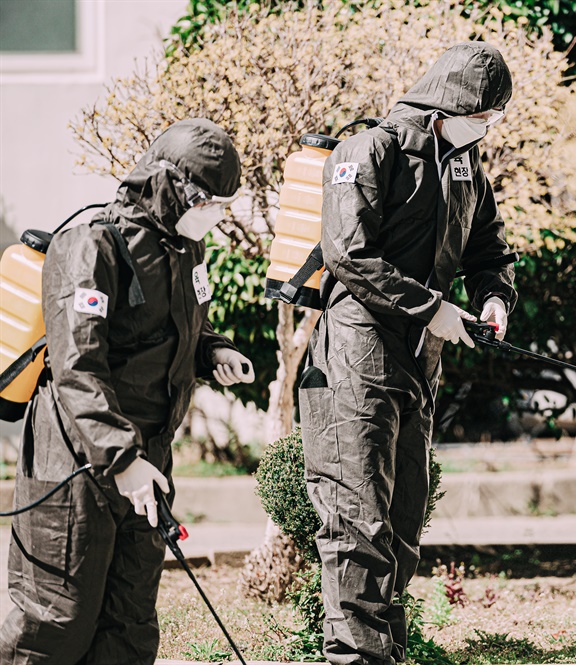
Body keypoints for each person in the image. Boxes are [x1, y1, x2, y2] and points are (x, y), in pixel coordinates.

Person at [0, 118, 255, 664]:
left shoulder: (186, 250)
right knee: (56, 620)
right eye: (210, 202)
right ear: (176, 188)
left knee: (129, 624)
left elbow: (178, 327)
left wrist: (214, 351)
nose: (216, 215)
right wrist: (121, 459)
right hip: (76, 463)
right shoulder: (91, 245)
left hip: (148, 461)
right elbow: (78, 366)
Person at [300, 42, 518, 664]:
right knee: (356, 521)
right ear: (449, 103)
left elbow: (489, 252)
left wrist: (494, 298)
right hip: (355, 352)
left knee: (400, 523)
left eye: (494, 117)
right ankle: (356, 659)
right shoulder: (371, 150)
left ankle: (384, 654)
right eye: (483, 113)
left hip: (418, 359)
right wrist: (433, 309)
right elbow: (349, 254)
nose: (488, 126)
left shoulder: (467, 168)